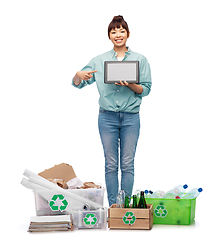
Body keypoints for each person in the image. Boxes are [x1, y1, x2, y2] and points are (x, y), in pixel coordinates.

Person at [72, 15, 152, 206]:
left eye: (122, 31)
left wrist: (132, 85)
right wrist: (77, 75)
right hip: (106, 118)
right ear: (109, 36)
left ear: (128, 34)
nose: (118, 34)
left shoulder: (140, 60)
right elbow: (78, 84)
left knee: (127, 164)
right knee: (111, 164)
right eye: (114, 31)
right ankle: (113, 207)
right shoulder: (99, 60)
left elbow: (146, 89)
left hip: (131, 118)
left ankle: (125, 206)